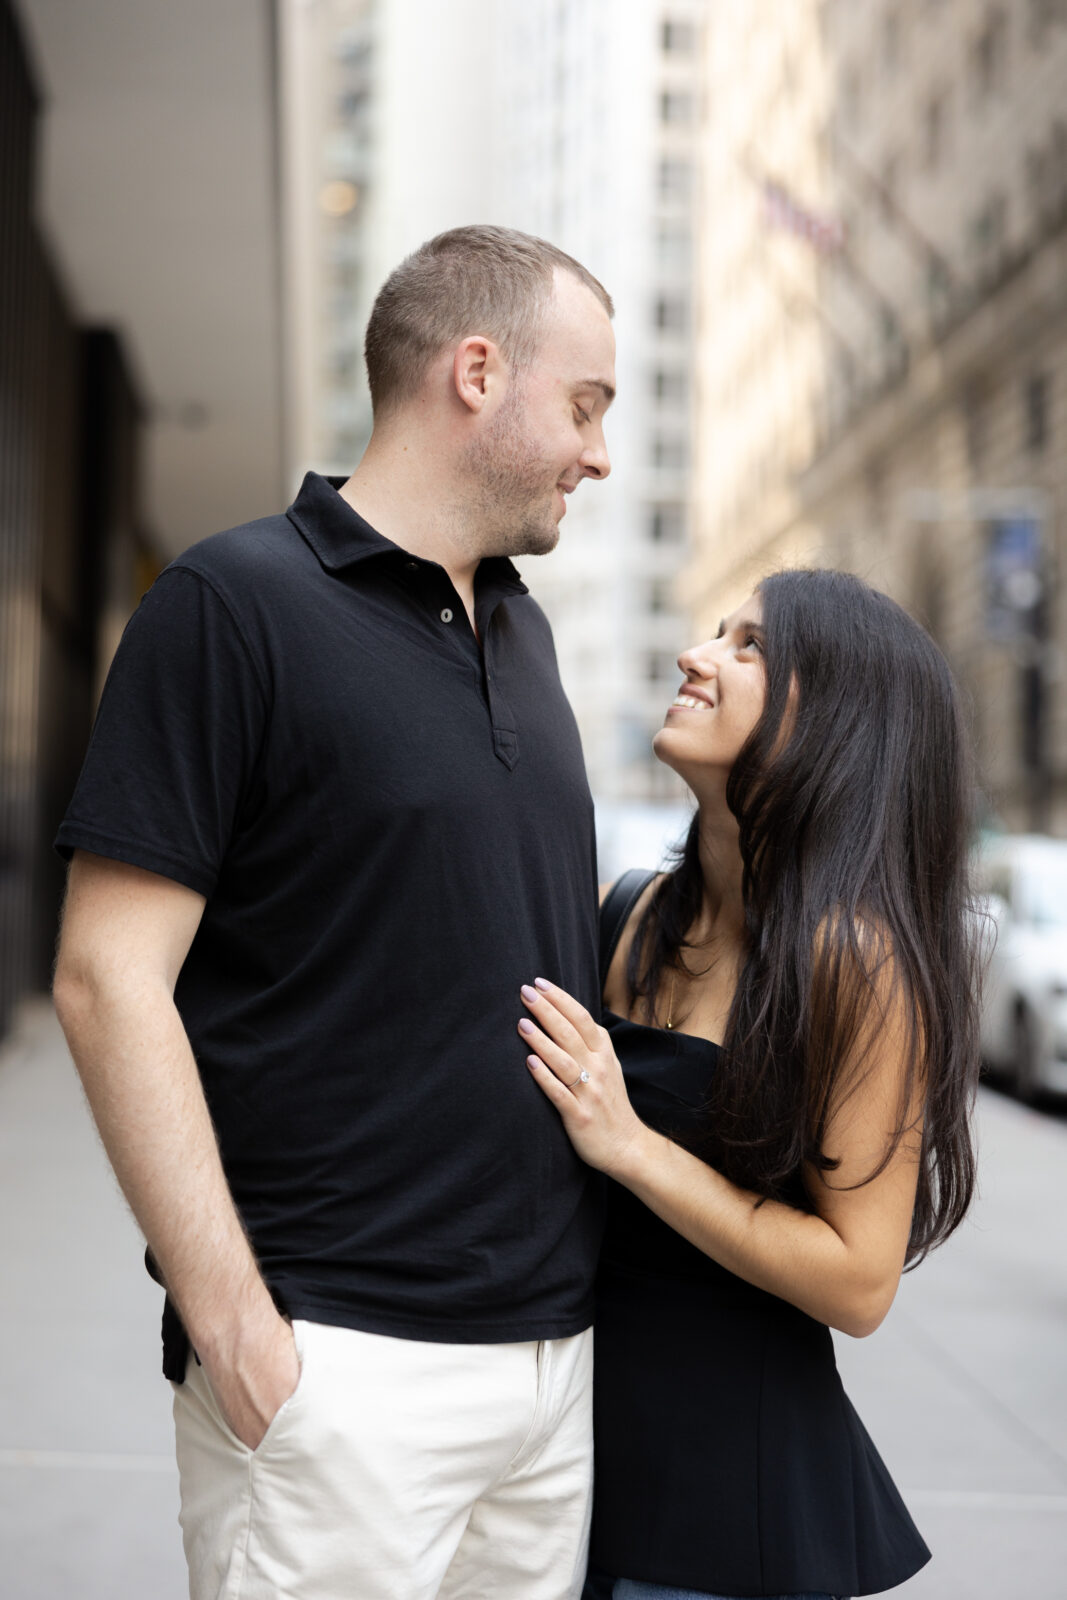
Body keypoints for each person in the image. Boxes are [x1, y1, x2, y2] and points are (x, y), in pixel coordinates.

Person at [52, 225, 616, 1600]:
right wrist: (233, 1323)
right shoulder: (229, 607)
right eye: (585, 404)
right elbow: (103, 980)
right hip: (338, 1369)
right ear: (475, 373)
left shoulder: (522, 634)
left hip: (546, 1375)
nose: (596, 453)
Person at [517, 569, 981, 1600]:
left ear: (839, 719)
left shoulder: (852, 962)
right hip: (561, 1477)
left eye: (746, 646)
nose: (696, 656)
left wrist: (633, 1145)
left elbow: (858, 1283)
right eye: (712, 634)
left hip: (728, 1522)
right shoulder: (626, 915)